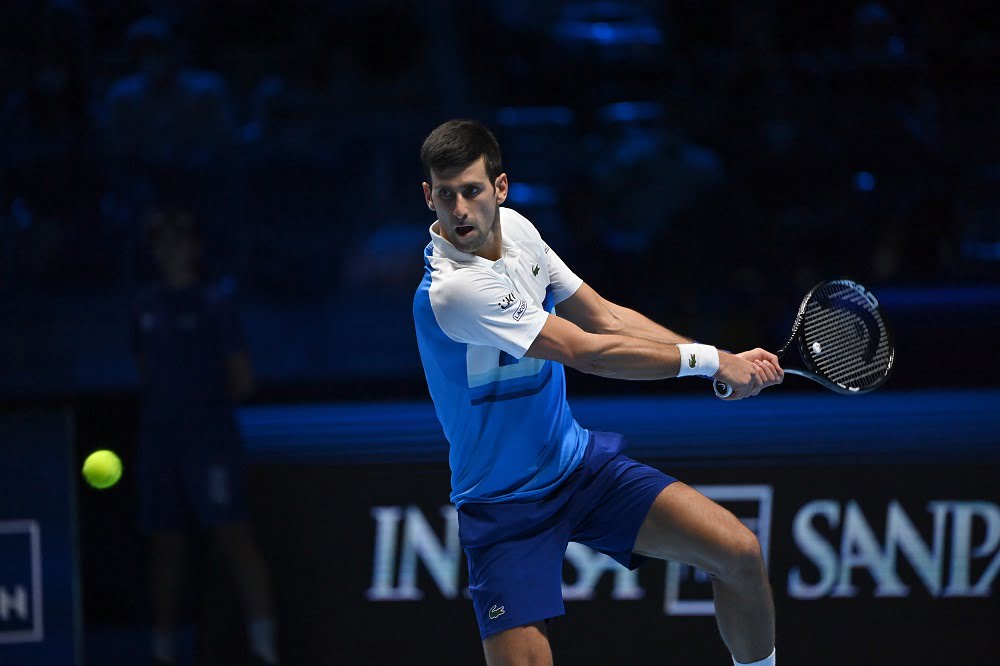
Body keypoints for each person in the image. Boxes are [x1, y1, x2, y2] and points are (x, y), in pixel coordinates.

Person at [413, 119, 781, 666]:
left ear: (500, 188)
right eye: (446, 195)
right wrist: (713, 361)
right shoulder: (453, 290)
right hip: (503, 507)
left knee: (739, 552)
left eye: (471, 191)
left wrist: (717, 362)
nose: (460, 210)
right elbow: (587, 350)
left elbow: (605, 316)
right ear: (429, 197)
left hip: (578, 468)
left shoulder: (517, 231)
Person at [132, 207, 278, 666]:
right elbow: (145, 373)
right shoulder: (143, 309)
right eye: (162, 241)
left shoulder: (216, 303)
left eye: (179, 240)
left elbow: (243, 379)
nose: (170, 250)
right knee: (165, 544)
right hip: (160, 443)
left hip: (210, 443)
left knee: (234, 537)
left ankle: (264, 649)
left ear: (194, 248)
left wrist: (202, 406)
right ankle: (162, 650)